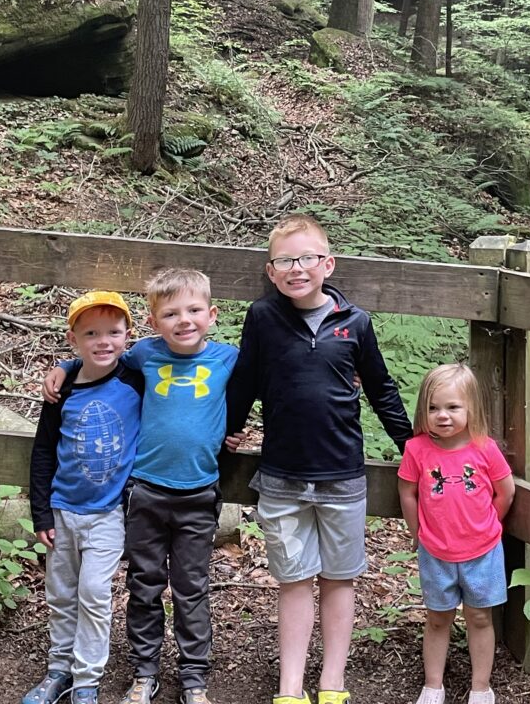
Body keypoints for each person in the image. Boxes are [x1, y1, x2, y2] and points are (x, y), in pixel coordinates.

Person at [225, 213, 413, 704]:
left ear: (328, 263)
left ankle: (332, 681)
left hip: (343, 476)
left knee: (339, 577)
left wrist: (411, 445)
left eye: (307, 258)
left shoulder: (356, 323)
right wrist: (226, 430)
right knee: (292, 579)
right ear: (271, 271)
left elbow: (381, 389)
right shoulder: (263, 318)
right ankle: (291, 685)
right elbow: (244, 380)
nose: (296, 268)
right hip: (282, 476)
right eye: (285, 261)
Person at [44, 269, 238, 704]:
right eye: (171, 313)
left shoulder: (228, 358)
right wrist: (63, 366)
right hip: (146, 492)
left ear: (212, 315)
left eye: (193, 311)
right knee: (144, 584)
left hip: (199, 493)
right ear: (153, 323)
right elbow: (100, 357)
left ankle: (193, 678)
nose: (183, 320)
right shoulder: (145, 355)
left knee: (192, 589)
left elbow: (276, 374)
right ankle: (144, 672)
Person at [24, 291, 144, 704]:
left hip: (108, 513)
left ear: (128, 334)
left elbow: (175, 350)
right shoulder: (63, 390)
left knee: (94, 591)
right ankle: (59, 670)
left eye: (113, 332)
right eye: (91, 333)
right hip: (62, 511)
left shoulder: (135, 379)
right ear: (73, 338)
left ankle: (87, 678)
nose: (103, 341)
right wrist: (42, 513)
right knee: (60, 593)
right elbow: (43, 452)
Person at [397, 364, 515, 704]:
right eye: (433, 408)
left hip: (483, 550)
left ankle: (481, 687)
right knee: (437, 618)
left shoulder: (484, 447)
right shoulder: (417, 449)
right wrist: (416, 532)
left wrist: (491, 525)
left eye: (452, 407)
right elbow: (407, 491)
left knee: (480, 616)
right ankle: (433, 684)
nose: (442, 416)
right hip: (435, 551)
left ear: (471, 408)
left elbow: (504, 491)